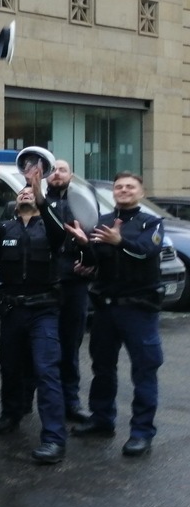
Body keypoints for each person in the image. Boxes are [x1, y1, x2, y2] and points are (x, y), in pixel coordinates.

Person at [0, 159, 70, 464]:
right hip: (13, 309)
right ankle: (11, 413)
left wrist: (39, 190)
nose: (25, 194)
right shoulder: (6, 228)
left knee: (46, 371)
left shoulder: (50, 226)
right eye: (22, 192)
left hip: (43, 309)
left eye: (30, 192)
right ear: (15, 204)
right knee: (10, 365)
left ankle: (54, 438)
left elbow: (60, 233)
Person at [67, 172, 164, 457]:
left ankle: (141, 433)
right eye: (119, 186)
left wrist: (120, 241)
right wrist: (86, 252)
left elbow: (145, 253)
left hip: (138, 309)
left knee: (144, 371)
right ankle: (101, 419)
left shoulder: (151, 223)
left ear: (141, 192)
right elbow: (98, 261)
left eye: (130, 186)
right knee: (102, 368)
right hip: (106, 309)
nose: (123, 190)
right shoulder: (103, 221)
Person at [45, 159, 94, 423]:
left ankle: (71, 402)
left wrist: (88, 261)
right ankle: (25, 403)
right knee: (40, 347)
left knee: (71, 346)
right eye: (52, 170)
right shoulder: (37, 202)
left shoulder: (83, 204)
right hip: (46, 285)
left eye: (62, 169)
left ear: (71, 175)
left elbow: (95, 243)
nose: (57, 174)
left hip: (75, 285)